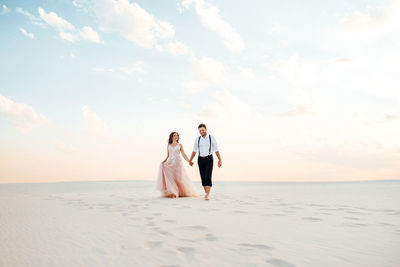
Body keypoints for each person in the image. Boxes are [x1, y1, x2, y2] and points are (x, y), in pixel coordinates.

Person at [156, 132, 198, 198]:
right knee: (171, 178)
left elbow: (183, 154)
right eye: (174, 135)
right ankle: (174, 193)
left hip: (178, 162)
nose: (176, 136)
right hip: (169, 162)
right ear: (171, 137)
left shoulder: (180, 145)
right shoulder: (168, 145)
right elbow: (168, 155)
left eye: (177, 135)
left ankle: (181, 192)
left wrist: (189, 161)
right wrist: (163, 162)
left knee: (179, 179)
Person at [189, 124, 222, 200]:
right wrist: (190, 160)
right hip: (200, 159)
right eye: (200, 130)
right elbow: (194, 150)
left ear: (206, 129)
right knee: (203, 177)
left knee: (208, 176)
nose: (201, 131)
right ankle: (206, 193)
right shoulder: (197, 139)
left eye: (202, 130)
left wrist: (219, 159)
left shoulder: (211, 137)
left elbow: (216, 149)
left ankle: (207, 194)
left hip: (209, 158)